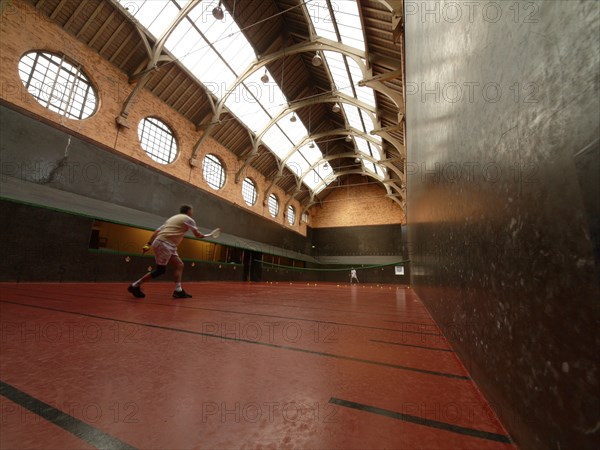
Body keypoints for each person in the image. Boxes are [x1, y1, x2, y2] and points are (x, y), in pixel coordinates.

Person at [128, 205, 207, 299]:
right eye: (192, 211)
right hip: (165, 244)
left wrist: (148, 244)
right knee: (160, 270)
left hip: (165, 244)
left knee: (179, 265)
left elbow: (157, 231)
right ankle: (135, 285)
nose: (192, 213)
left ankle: (178, 291)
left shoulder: (172, 219)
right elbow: (197, 235)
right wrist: (202, 235)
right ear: (189, 211)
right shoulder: (188, 219)